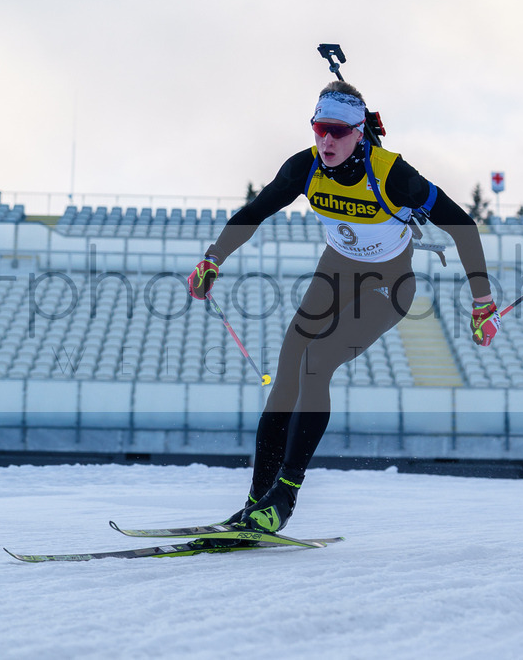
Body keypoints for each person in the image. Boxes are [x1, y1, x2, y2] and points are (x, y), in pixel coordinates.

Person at [186, 80, 499, 533]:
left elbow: (464, 227)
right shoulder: (304, 167)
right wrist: (213, 258)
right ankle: (256, 500)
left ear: (359, 132)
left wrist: (482, 303)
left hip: (388, 286)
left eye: (337, 130)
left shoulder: (392, 173)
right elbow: (255, 211)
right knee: (288, 366)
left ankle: (285, 496)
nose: (327, 140)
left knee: (317, 361)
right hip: (335, 272)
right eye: (319, 128)